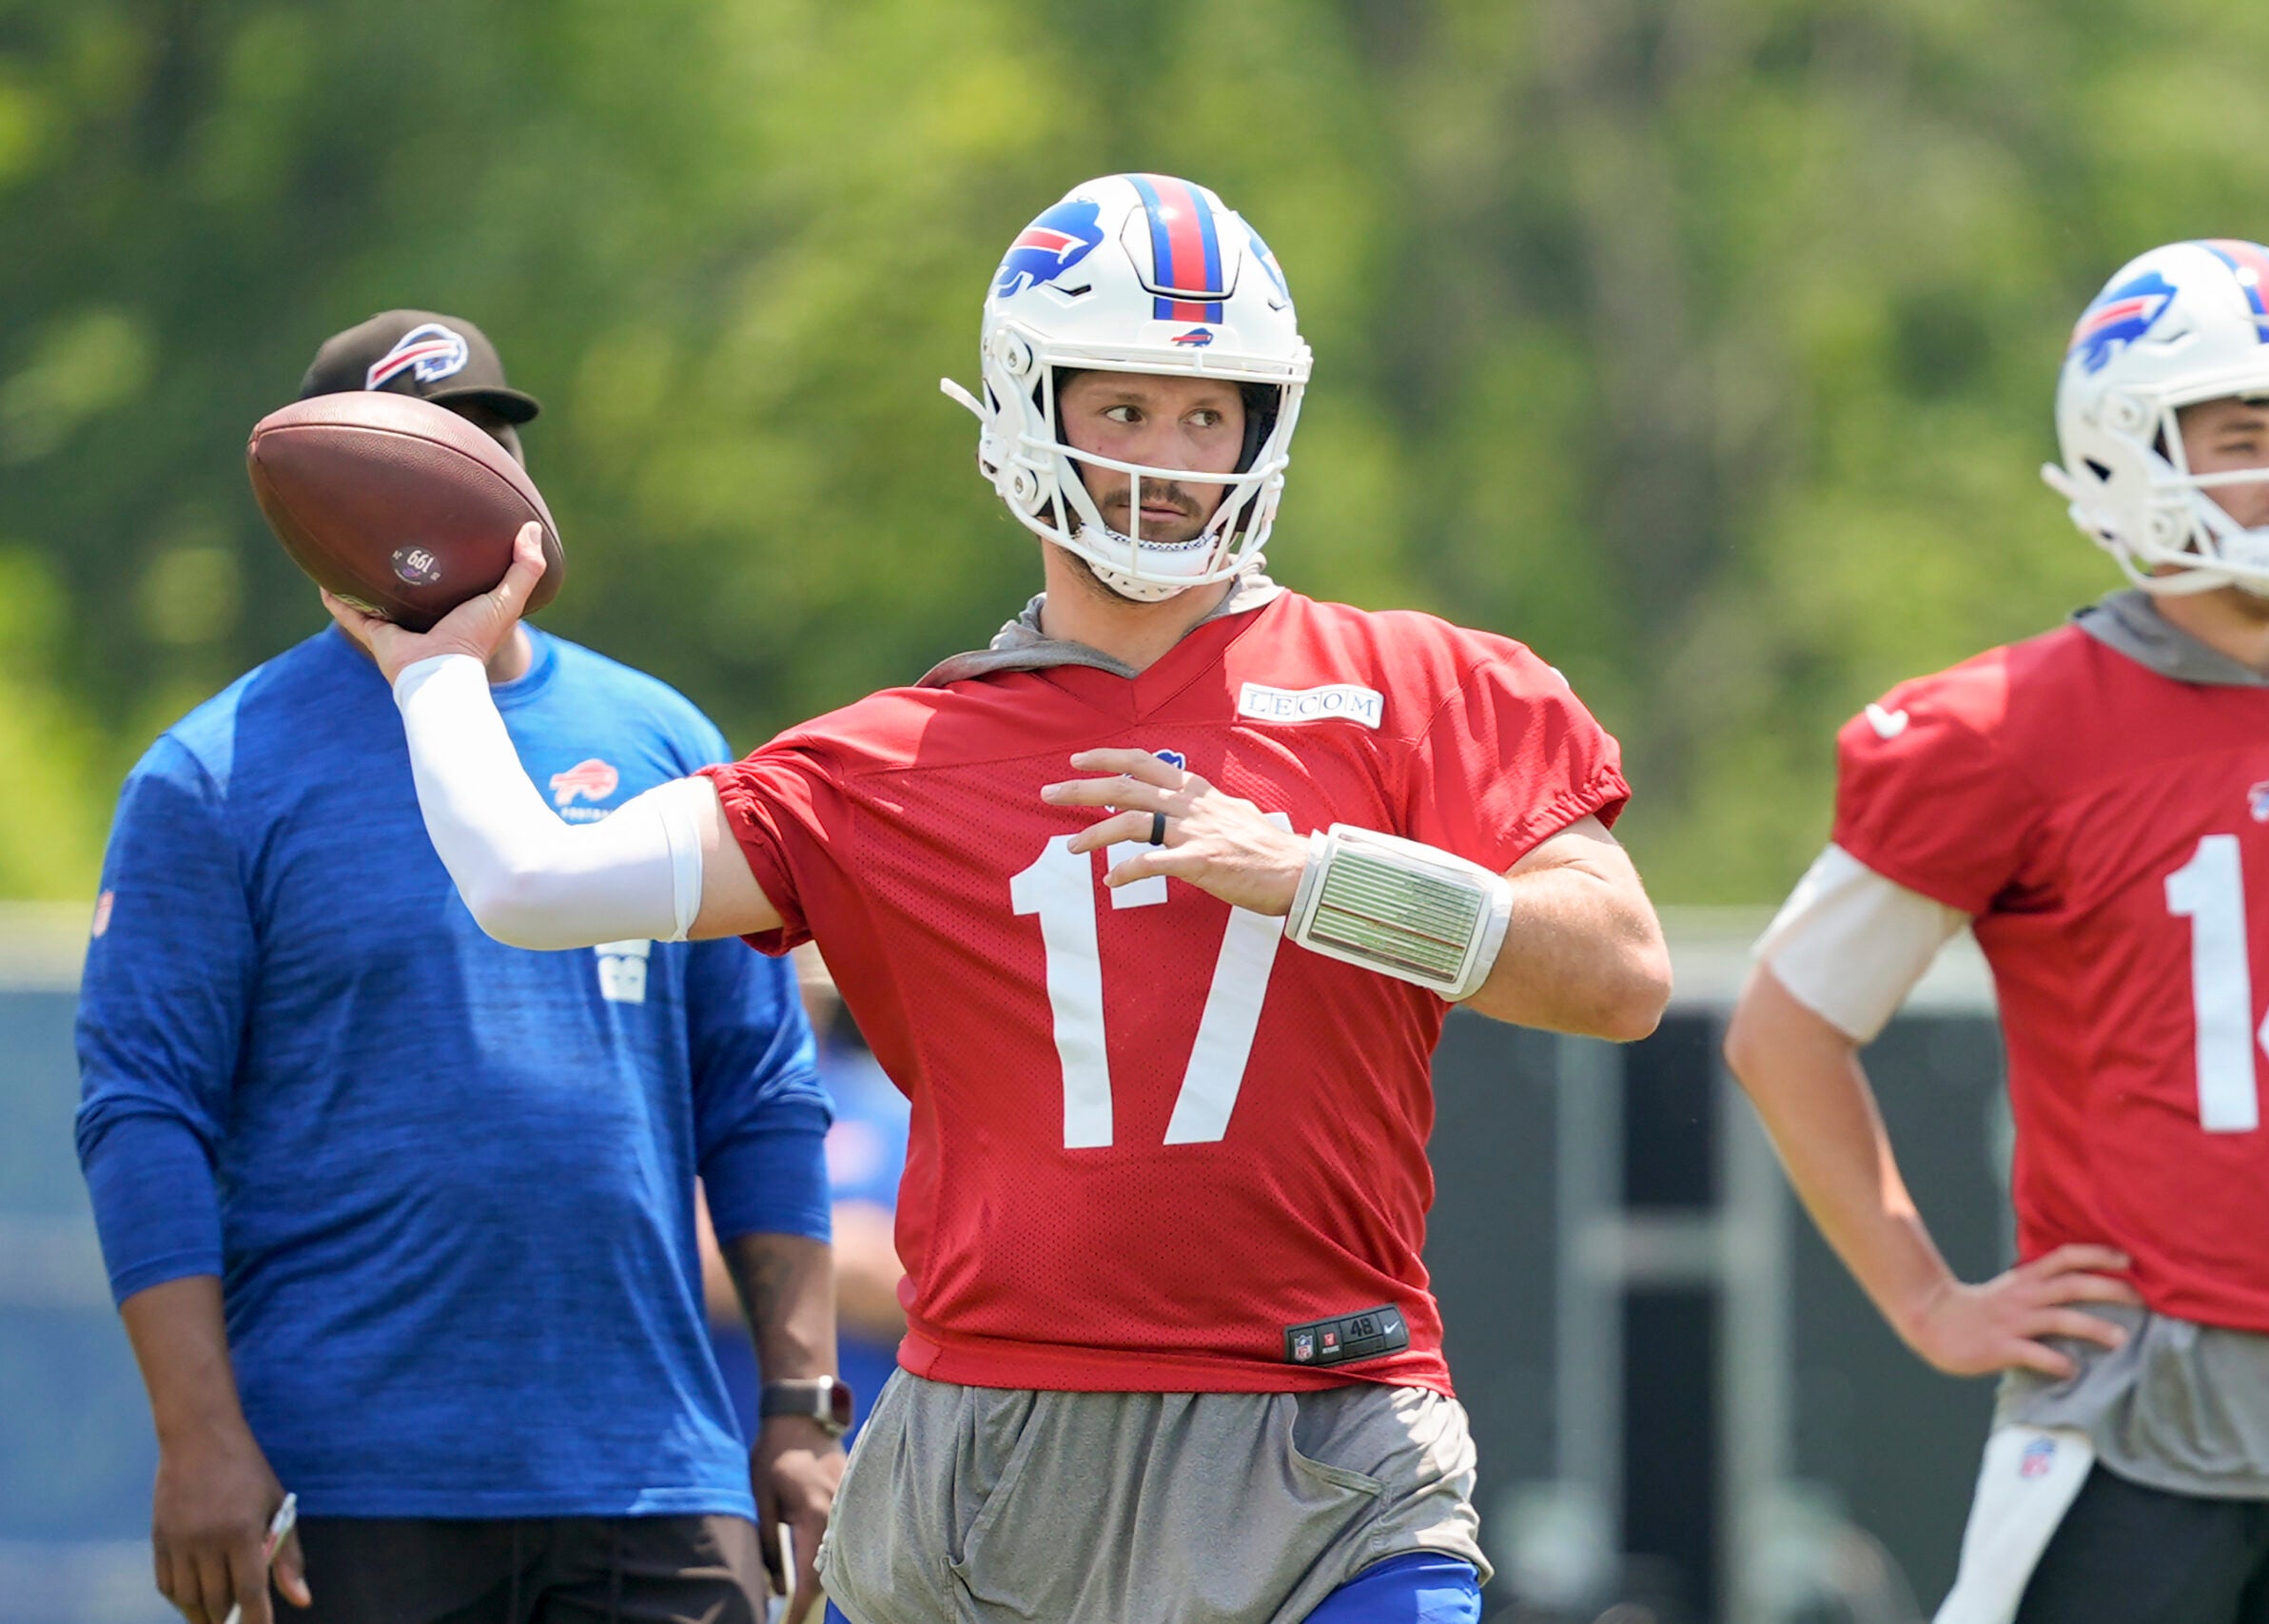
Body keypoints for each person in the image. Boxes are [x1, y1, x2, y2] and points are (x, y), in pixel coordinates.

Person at [324, 175, 1674, 1624]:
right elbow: (529, 882)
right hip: (988, 1459)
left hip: (1325, 1438)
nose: (1173, 456)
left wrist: (1314, 874)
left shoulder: (1418, 686)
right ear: (1031, 410)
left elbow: (1618, 971)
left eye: (1210, 413)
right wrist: (438, 667)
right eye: (1128, 409)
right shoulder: (896, 760)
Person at [75, 309, 846, 1624]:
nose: (477, 477)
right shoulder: (214, 774)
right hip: (354, 1481)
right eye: (429, 452)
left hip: (653, 1470)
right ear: (335, 510)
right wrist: (197, 1433)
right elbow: (143, 1111)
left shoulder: (660, 735)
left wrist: (797, 1405)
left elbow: (759, 1088)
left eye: (495, 444)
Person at [1723, 241, 2269, 1623]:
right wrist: (1933, 1300)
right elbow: (1786, 1023)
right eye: (2244, 436)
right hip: (2139, 1410)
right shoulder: (2004, 729)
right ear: (2129, 452)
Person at [700, 949, 907, 1449]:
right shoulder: (691, 1112)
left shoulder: (897, 1106)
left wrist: (753, 1246)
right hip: (716, 1460)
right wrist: (853, 1254)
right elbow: (669, 1263)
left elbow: (957, 1283)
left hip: (873, 1465)